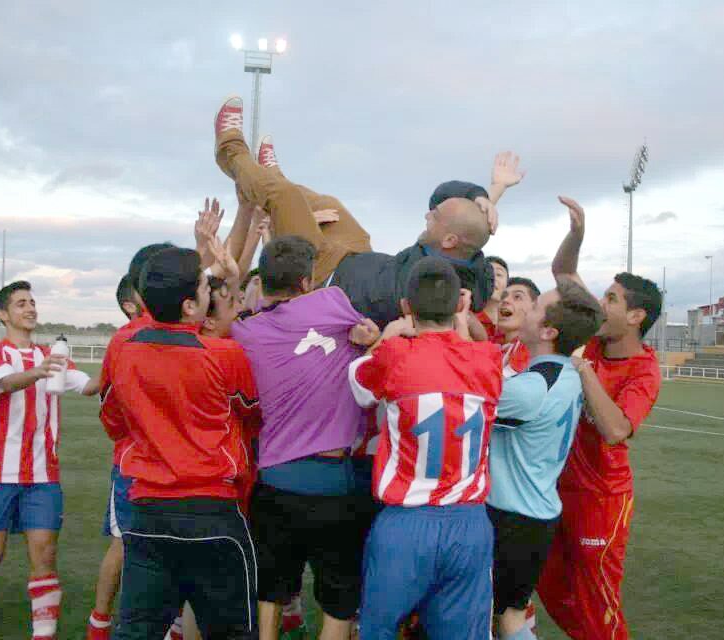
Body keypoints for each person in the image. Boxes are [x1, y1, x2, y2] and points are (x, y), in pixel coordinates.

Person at [213, 96, 526, 327]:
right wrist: (483, 195)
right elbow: (456, 212)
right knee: (329, 204)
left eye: (435, 216)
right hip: (357, 256)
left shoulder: (431, 282)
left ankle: (230, 150)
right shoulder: (469, 252)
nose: (427, 214)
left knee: (284, 197)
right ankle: (267, 179)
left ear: (448, 241)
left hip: (325, 278)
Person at [229, 236, 380, 640]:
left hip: (274, 483)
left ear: (263, 280)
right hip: (335, 484)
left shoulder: (244, 331)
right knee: (338, 603)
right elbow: (372, 333)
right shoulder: (332, 302)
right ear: (307, 278)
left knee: (270, 593)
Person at [105, 247, 260, 640]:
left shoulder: (124, 350)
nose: (212, 291)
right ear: (190, 306)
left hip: (147, 514)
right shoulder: (224, 354)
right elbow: (253, 415)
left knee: (136, 632)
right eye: (206, 285)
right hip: (212, 513)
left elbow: (113, 421)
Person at [348, 257, 503, 640]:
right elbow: (472, 357)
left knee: (378, 630)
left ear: (406, 307)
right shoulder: (489, 359)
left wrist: (390, 334)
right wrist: (465, 323)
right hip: (468, 521)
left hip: (406, 522)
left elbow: (358, 385)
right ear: (459, 305)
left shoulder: (396, 354)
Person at [536, 196, 663, 640]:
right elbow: (564, 275)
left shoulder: (643, 369)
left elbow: (614, 429)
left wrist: (582, 366)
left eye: (610, 298)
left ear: (635, 316)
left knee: (597, 596)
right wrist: (577, 234)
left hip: (602, 499)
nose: (600, 303)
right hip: (555, 487)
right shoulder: (593, 336)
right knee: (550, 588)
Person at [0, 280, 98, 640]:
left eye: (33, 302)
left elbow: (88, 385)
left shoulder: (51, 355)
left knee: (45, 555)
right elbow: (4, 383)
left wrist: (124, 360)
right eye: (21, 303)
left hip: (43, 475)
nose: (30, 308)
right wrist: (40, 372)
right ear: (3, 314)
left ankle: (44, 632)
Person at [487, 279, 603, 640]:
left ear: (549, 330)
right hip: (536, 513)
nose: (528, 308)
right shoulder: (568, 373)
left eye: (536, 307)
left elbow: (464, 404)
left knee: (501, 617)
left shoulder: (532, 388)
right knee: (511, 616)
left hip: (511, 518)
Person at [87, 246, 173, 640]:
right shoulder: (127, 338)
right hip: (134, 467)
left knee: (167, 553)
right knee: (125, 550)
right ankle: (101, 622)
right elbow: (111, 414)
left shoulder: (174, 333)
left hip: (172, 468)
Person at [498, 277, 540, 378]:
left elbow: (498, 385)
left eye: (517, 297)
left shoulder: (530, 347)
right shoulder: (495, 344)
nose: (505, 300)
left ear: (535, 308)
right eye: (502, 296)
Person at [474, 256, 509, 341]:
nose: (493, 278)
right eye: (488, 273)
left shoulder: (512, 325)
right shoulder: (465, 319)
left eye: (499, 274)